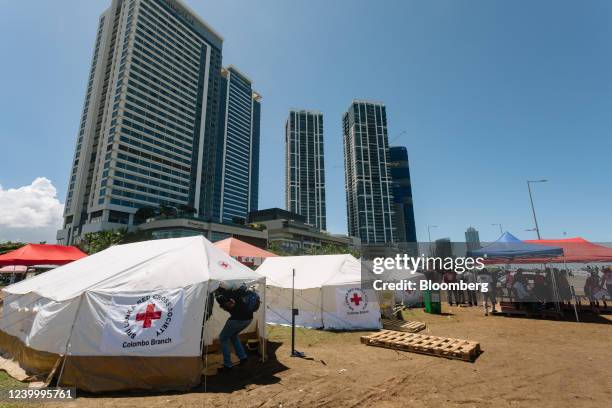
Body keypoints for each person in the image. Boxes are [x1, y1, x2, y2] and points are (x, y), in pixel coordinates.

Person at [215, 283, 255, 372]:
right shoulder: (233, 291)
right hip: (248, 318)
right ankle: (243, 357)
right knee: (233, 336)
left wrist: (225, 302)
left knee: (223, 338)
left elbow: (229, 304)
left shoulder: (220, 296)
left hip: (237, 319)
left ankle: (228, 365)